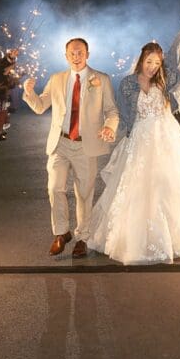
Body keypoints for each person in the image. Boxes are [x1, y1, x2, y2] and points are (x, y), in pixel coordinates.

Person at [86, 5, 180, 264]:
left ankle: (178, 238)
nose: (152, 67)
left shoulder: (165, 80)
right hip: (140, 140)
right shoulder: (127, 84)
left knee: (171, 184)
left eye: (157, 63)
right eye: (149, 62)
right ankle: (136, 239)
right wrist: (110, 130)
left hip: (166, 136)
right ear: (141, 60)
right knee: (139, 188)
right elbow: (123, 115)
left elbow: (179, 47)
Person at [22, 37, 120, 258]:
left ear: (87, 54)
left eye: (80, 53)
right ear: (65, 56)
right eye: (72, 53)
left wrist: (109, 127)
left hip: (86, 145)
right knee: (54, 188)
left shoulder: (101, 79)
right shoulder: (57, 79)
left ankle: (82, 238)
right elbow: (40, 107)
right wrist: (29, 92)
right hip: (60, 143)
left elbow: (112, 111)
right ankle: (61, 233)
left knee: (84, 194)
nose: (76, 57)